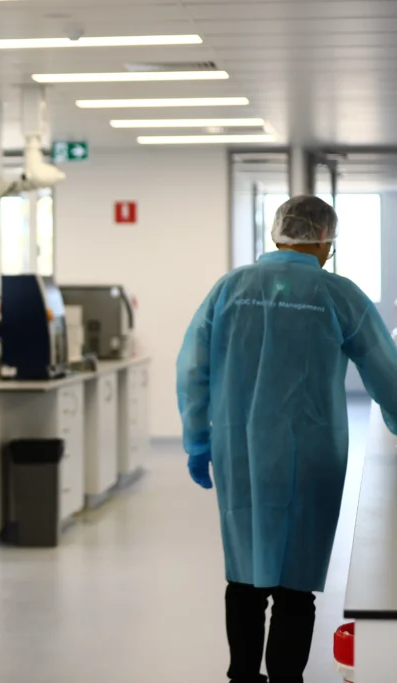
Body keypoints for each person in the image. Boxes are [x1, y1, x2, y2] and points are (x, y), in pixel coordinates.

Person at [177, 194, 397, 683]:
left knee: (245, 574)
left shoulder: (229, 289)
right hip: (311, 454)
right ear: (323, 240)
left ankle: (242, 675)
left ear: (278, 234)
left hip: (241, 453)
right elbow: (387, 372)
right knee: (296, 586)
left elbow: (192, 367)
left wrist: (197, 439)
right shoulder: (339, 294)